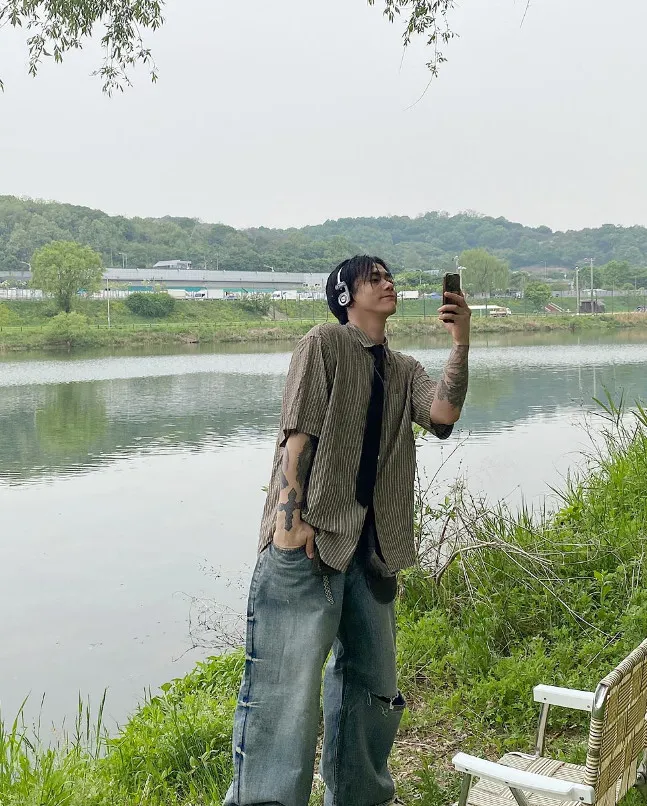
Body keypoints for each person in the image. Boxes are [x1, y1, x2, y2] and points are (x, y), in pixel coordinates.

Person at [224, 255, 471, 806]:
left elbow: (442, 415)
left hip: (371, 550)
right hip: (308, 541)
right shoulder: (324, 343)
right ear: (345, 293)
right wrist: (289, 520)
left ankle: (361, 798)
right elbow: (297, 433)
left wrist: (460, 342)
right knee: (284, 694)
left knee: (374, 691)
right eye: (374, 277)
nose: (388, 283)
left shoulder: (402, 367)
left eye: (390, 276)